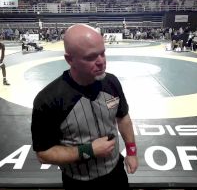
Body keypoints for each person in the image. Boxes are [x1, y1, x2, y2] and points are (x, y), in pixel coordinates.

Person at [31, 24, 138, 189]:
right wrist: (88, 150)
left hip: (116, 173)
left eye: (103, 53)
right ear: (70, 59)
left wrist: (131, 152)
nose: (101, 62)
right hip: (79, 184)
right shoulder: (49, 100)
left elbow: (123, 118)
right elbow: (43, 154)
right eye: (91, 57)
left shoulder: (111, 82)